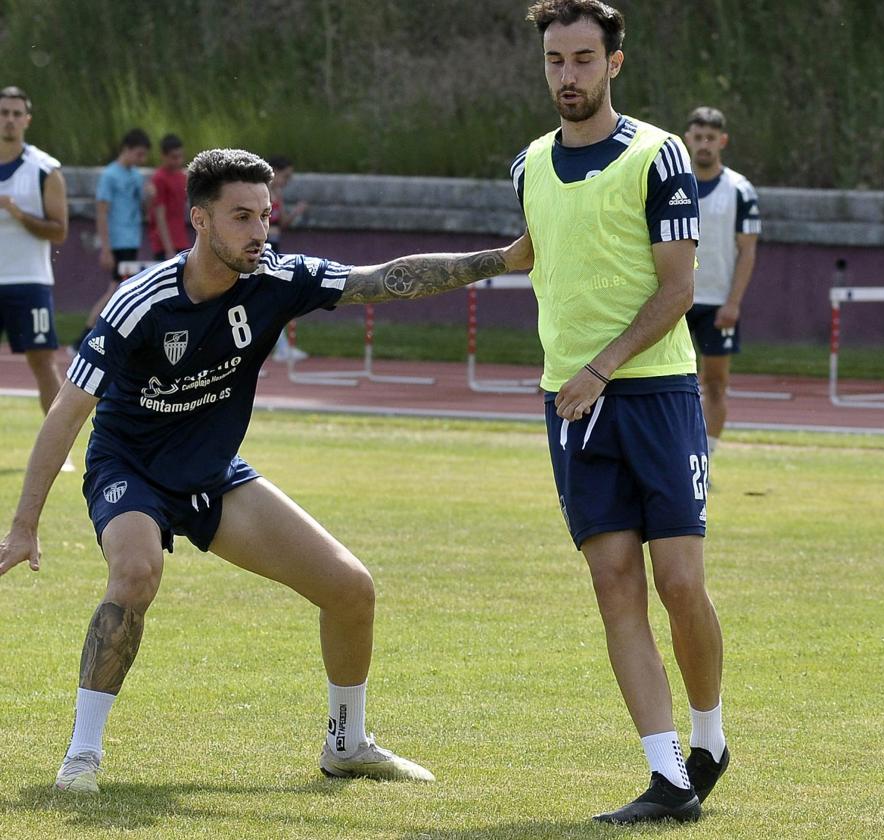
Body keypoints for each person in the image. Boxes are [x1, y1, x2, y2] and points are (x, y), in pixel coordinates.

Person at [0, 148, 532, 794]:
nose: (259, 232)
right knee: (136, 570)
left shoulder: (280, 278)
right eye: (241, 217)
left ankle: (347, 744)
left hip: (213, 475)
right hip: (129, 467)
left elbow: (383, 278)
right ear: (199, 219)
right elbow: (64, 415)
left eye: (265, 215)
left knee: (351, 589)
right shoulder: (138, 304)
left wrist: (501, 261)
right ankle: (82, 758)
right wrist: (24, 525)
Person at [514, 0, 725, 824]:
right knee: (612, 584)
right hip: (568, 402)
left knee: (678, 583)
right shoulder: (528, 164)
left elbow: (679, 290)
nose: (568, 75)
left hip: (655, 394)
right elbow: (535, 254)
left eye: (582, 59)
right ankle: (668, 775)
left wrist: (601, 369)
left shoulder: (658, 155)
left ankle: (709, 739)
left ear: (615, 63)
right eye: (555, 61)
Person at [682, 106, 760, 461]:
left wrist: (734, 302)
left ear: (722, 141)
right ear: (687, 139)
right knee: (667, 384)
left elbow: (747, 251)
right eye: (698, 137)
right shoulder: (671, 183)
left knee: (714, 385)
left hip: (716, 302)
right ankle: (674, 457)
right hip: (673, 299)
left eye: (710, 138)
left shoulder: (739, 190)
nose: (704, 145)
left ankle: (706, 460)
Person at [0, 85, 71, 470]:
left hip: (28, 281)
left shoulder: (44, 169)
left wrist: (18, 213)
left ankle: (60, 453)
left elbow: (59, 231)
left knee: (42, 362)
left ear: (26, 120)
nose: (9, 120)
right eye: (3, 113)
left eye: (15, 113)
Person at [72, 128, 151, 352]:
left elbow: (143, 209)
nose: (141, 159)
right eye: (138, 154)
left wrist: (149, 197)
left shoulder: (136, 176)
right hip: (116, 241)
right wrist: (105, 248)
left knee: (120, 289)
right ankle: (86, 335)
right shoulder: (110, 175)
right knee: (116, 289)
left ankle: (101, 336)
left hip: (132, 240)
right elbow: (102, 211)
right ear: (125, 149)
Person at [267, 155, 311, 362]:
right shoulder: (262, 192)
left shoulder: (277, 194)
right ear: (273, 171)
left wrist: (296, 212)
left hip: (275, 248)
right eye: (285, 176)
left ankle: (282, 347)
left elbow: (282, 222)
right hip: (262, 249)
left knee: (275, 299)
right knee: (272, 298)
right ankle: (281, 347)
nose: (286, 181)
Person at [148, 134, 191, 261]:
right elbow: (159, 215)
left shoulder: (182, 177)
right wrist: (168, 248)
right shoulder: (159, 178)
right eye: (174, 157)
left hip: (182, 241)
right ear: (163, 156)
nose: (178, 161)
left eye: (180, 156)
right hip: (164, 244)